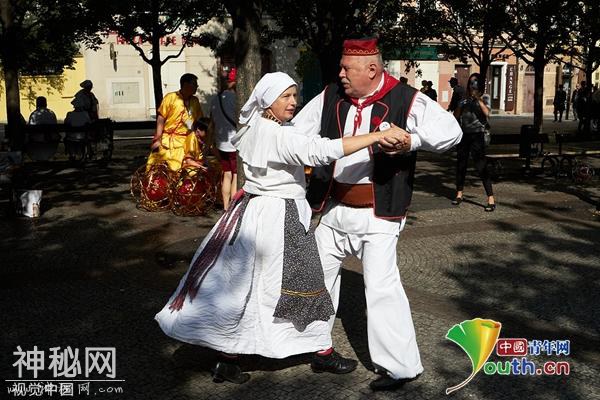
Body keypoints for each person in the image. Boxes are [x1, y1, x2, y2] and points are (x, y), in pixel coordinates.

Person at [155, 72, 409, 385]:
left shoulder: (255, 127)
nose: (293, 102)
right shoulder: (278, 134)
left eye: (294, 95)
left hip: (253, 211)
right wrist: (374, 136)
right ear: (266, 101)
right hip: (281, 216)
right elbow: (320, 151)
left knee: (251, 288)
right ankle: (321, 352)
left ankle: (230, 359)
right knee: (304, 282)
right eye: (285, 97)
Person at [293, 37, 462, 391]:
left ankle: (399, 368)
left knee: (381, 288)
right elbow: (296, 136)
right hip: (335, 207)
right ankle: (314, 346)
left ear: (372, 69)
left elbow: (451, 131)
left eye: (346, 68)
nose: (339, 73)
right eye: (340, 67)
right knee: (314, 276)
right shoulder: (329, 97)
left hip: (379, 211)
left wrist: (411, 140)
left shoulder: (404, 97)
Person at [452, 72, 495, 211]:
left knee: (481, 166)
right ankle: (459, 194)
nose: (472, 85)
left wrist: (478, 99)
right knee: (461, 164)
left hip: (477, 135)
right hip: (464, 135)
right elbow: (456, 115)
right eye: (471, 82)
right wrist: (460, 105)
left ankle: (490, 198)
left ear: (480, 84)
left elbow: (488, 113)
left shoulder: (485, 97)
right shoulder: (464, 98)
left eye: (475, 82)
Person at [147, 73, 204, 172]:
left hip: (185, 142)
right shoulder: (171, 97)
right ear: (186, 85)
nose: (197, 87)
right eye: (195, 84)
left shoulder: (195, 101)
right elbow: (161, 117)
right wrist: (158, 138)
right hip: (167, 142)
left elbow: (198, 121)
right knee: (159, 169)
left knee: (182, 169)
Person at [210, 68, 238, 210]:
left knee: (226, 173)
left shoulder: (215, 98)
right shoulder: (236, 99)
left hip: (221, 142)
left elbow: (212, 122)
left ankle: (226, 207)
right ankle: (233, 208)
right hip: (234, 143)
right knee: (236, 174)